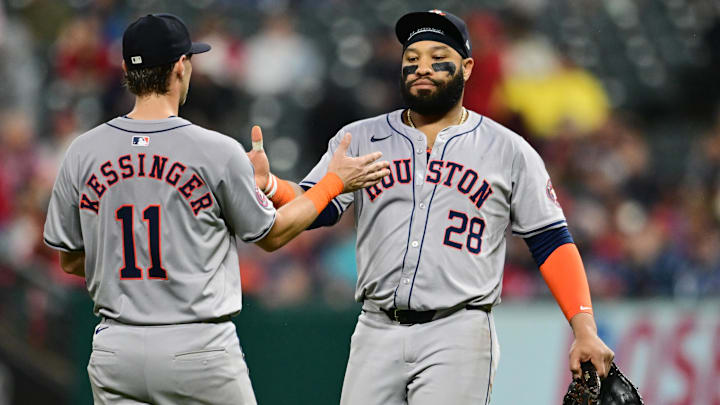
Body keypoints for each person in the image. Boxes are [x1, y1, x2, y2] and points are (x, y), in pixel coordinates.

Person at [249, 9, 614, 404]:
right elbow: (316, 206)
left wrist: (584, 327)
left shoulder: (507, 149)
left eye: (438, 57)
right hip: (376, 328)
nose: (422, 67)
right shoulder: (359, 137)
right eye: (412, 59)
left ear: (467, 67)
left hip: (458, 331)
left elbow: (551, 241)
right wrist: (270, 185)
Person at [42, 13, 389, 405]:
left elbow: (70, 261)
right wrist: (334, 182)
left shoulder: (82, 151)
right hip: (196, 348)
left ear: (126, 69)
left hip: (115, 348)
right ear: (180, 67)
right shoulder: (215, 150)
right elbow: (274, 235)